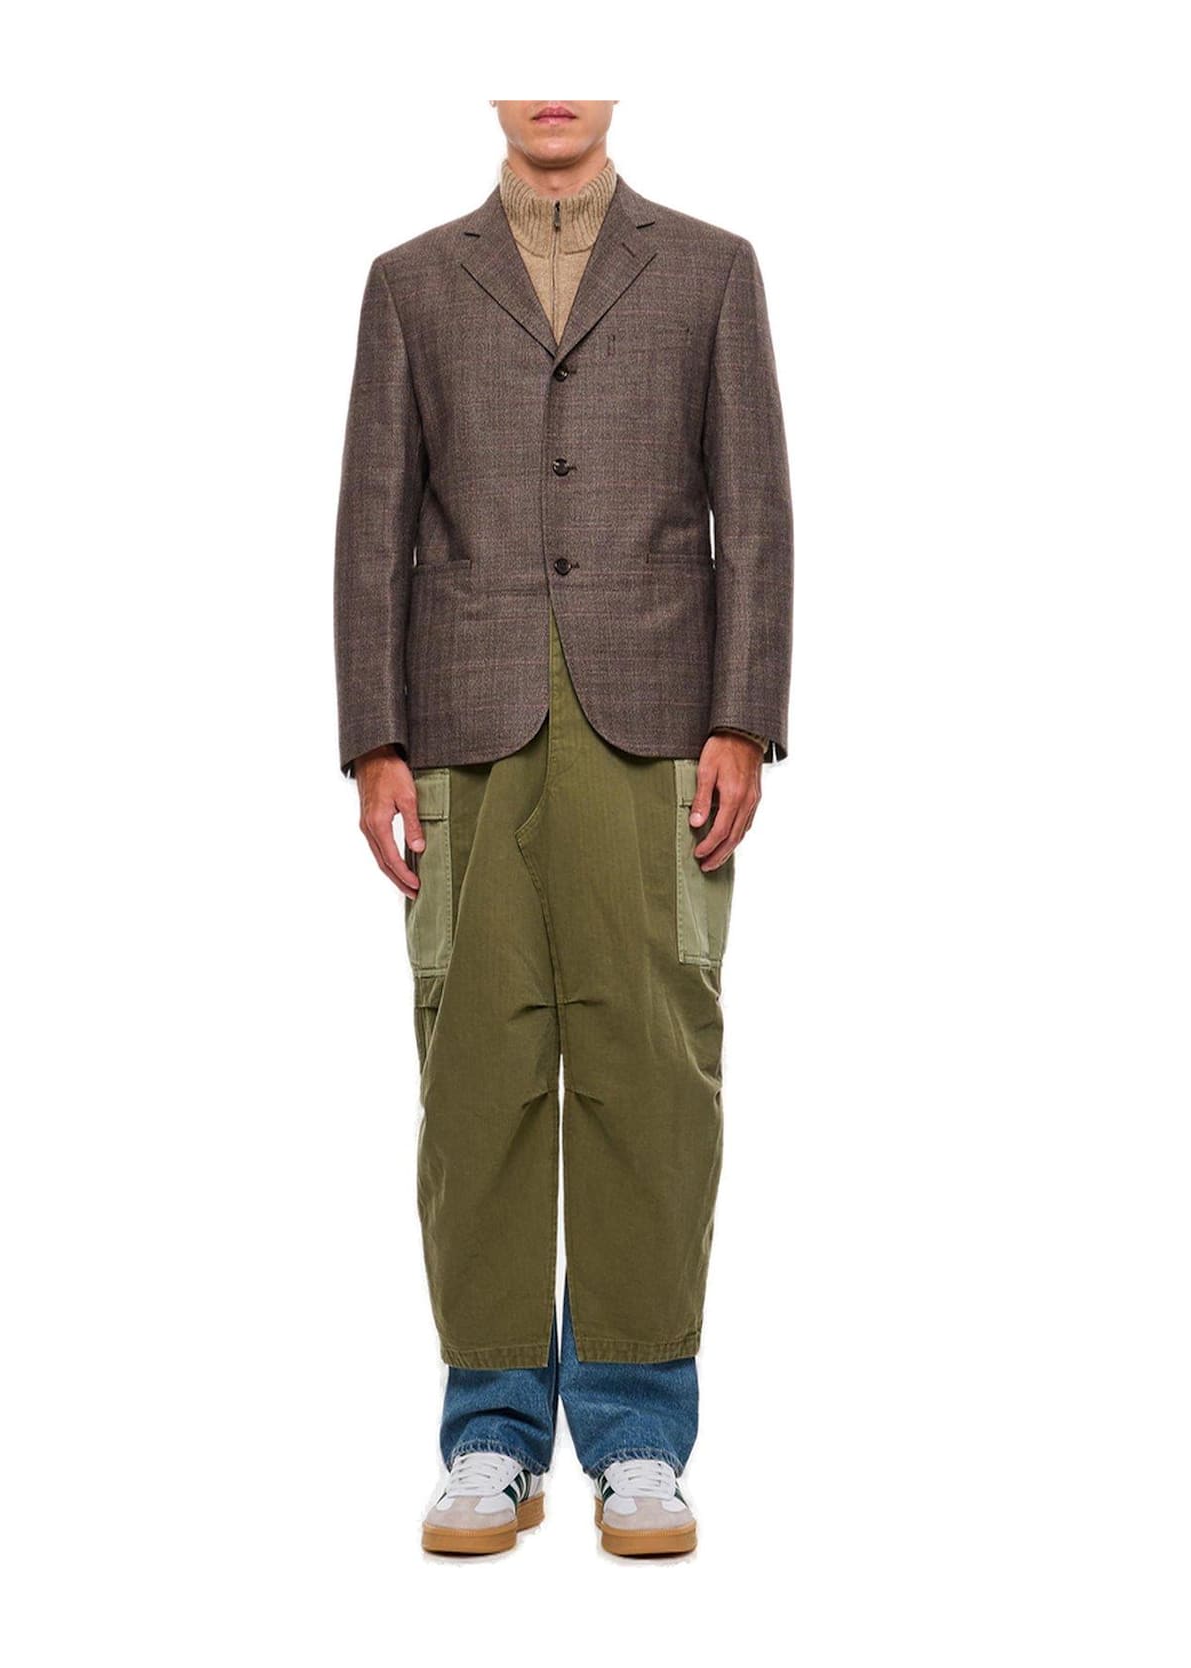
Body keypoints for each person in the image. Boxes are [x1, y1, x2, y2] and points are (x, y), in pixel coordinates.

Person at [332, 99, 793, 1557]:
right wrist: (374, 741)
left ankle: (640, 1432)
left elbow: (754, 515)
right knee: (476, 1073)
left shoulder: (711, 269)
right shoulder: (412, 280)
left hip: (655, 728)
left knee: (650, 1071)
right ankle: (490, 1430)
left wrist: (744, 717)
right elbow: (372, 526)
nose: (551, 85)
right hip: (460, 727)